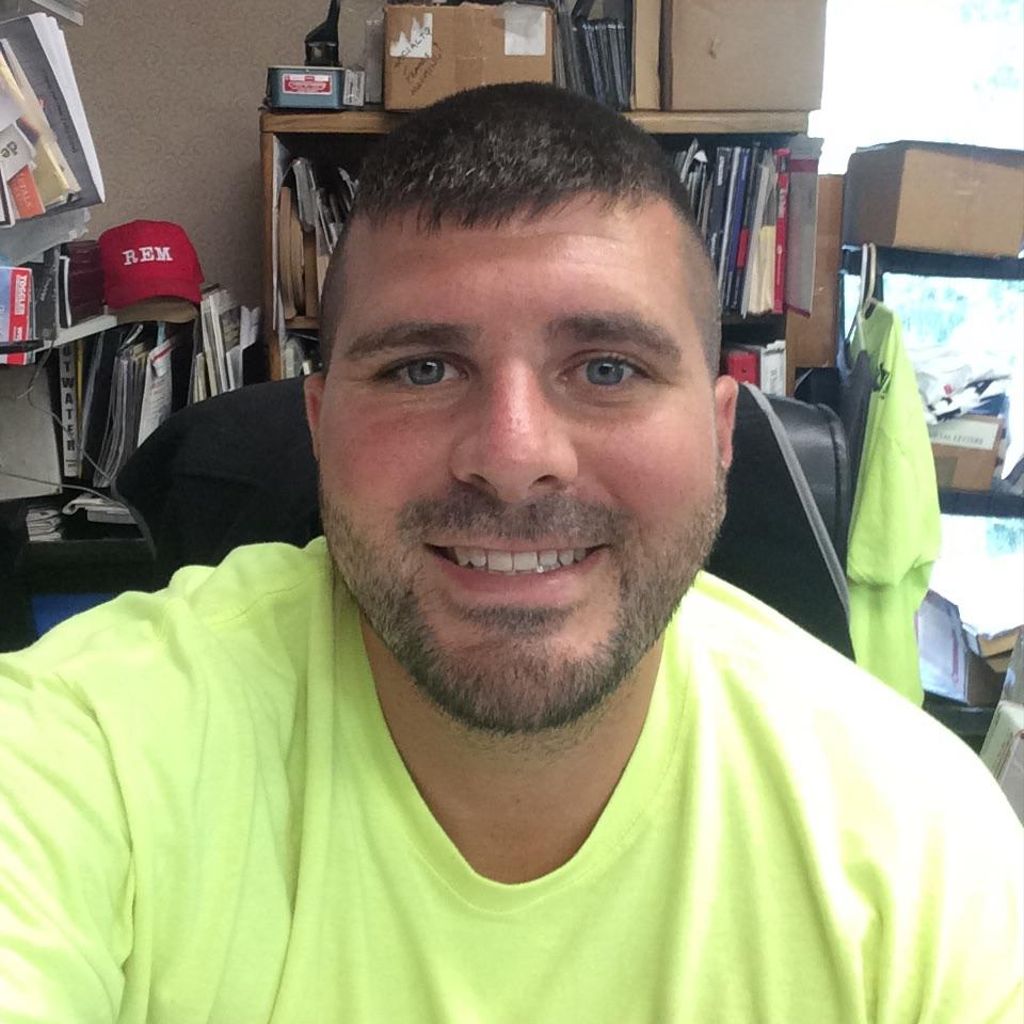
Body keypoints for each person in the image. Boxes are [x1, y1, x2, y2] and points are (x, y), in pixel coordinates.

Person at [0, 83, 1020, 1023]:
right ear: (320, 426)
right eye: (423, 369)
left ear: (720, 436)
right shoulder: (88, 750)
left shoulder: (917, 849)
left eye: (607, 368)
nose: (513, 456)